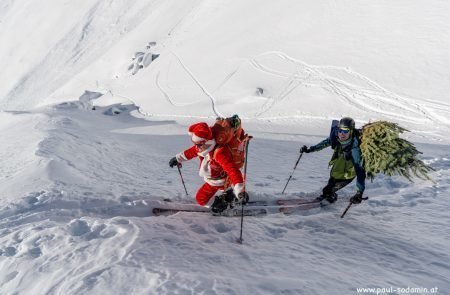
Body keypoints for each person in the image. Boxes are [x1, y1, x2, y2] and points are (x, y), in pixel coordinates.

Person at [169, 122, 249, 213]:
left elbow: (232, 170)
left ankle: (226, 200)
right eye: (195, 144)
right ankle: (228, 195)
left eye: (198, 144)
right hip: (213, 180)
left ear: (206, 141)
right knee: (201, 199)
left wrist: (240, 189)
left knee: (205, 202)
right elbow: (192, 152)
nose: (197, 147)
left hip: (220, 181)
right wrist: (178, 158)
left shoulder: (219, 154)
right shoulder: (204, 147)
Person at [300, 117, 366, 204]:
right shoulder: (336, 137)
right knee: (327, 190)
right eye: (340, 130)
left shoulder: (354, 149)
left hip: (347, 176)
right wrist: (310, 149)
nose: (342, 134)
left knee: (329, 190)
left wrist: (359, 192)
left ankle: (330, 199)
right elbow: (324, 143)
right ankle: (328, 196)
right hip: (335, 171)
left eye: (345, 131)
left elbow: (360, 172)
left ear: (351, 131)